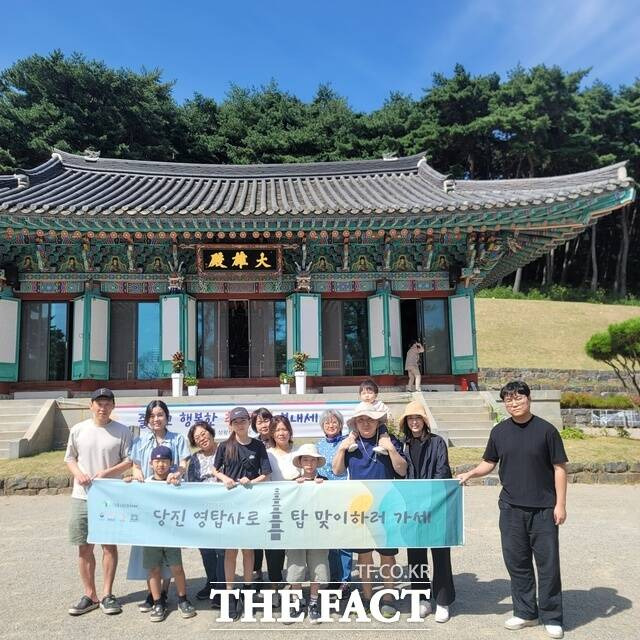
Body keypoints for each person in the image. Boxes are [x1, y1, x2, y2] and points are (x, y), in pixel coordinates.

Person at [457, 381, 568, 640]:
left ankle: (552, 616)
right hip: (510, 508)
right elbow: (489, 462)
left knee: (548, 565)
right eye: (508, 400)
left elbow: (560, 468)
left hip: (544, 509)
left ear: (529, 399)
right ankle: (526, 612)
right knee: (517, 563)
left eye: (518, 398)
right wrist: (471, 473)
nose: (513, 403)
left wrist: (560, 504)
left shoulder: (546, 431)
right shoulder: (499, 432)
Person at [333, 406, 407, 617]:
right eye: (361, 420)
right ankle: (367, 596)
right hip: (360, 506)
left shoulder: (390, 440)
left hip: (386, 505)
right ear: (355, 423)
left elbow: (402, 470)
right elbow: (337, 471)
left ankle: (388, 596)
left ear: (378, 422)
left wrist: (390, 449)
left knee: (387, 555)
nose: (366, 423)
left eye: (370, 420)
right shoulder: (350, 445)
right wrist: (341, 448)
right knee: (364, 556)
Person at [64, 388, 132, 616]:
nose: (103, 408)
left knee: (109, 546)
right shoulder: (78, 429)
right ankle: (89, 594)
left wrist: (107, 472)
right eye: (99, 403)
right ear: (91, 405)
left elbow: (129, 460)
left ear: (113, 406)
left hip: (109, 498)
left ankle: (107, 594)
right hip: (81, 496)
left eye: (107, 404)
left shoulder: (122, 431)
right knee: (84, 547)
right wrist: (78, 473)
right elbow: (70, 457)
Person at [127, 400, 191, 612]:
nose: (156, 419)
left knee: (169, 547)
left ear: (167, 417)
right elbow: (135, 464)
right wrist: (136, 471)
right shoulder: (140, 441)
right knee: (149, 549)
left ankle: (165, 591)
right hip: (147, 502)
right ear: (147, 419)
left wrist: (178, 473)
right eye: (152, 415)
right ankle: (153, 594)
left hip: (170, 501)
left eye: (160, 414)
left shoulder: (178, 439)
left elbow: (183, 463)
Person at [213, 406, 272, 621]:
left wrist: (251, 481)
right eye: (236, 422)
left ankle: (247, 590)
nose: (240, 425)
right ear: (230, 425)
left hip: (251, 504)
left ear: (249, 422)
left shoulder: (258, 445)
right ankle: (230, 594)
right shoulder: (224, 446)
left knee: (248, 551)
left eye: (243, 421)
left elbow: (266, 473)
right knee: (230, 552)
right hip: (230, 506)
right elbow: (215, 469)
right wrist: (224, 479)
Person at [126, 445, 196, 622]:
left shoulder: (175, 483)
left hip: (171, 535)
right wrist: (127, 484)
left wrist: (177, 483)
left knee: (177, 568)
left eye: (164, 461)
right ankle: (158, 602)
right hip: (150, 535)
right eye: (157, 461)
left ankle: (182, 599)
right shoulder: (144, 483)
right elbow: (130, 498)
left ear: (171, 463)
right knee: (153, 569)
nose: (161, 465)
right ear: (150, 463)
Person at [400, 400, 455, 623]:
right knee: (416, 555)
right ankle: (422, 597)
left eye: (418, 418)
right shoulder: (403, 445)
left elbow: (443, 471)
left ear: (425, 421)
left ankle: (443, 600)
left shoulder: (437, 442)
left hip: (435, 506)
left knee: (440, 553)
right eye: (410, 419)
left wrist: (426, 497)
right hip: (412, 509)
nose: (414, 422)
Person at [286, 444, 330, 624]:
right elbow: (285, 506)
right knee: (295, 568)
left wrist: (324, 488)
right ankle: (296, 603)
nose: (309, 463)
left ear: (318, 462)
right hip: (296, 533)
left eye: (313, 459)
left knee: (317, 567)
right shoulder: (292, 483)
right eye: (305, 459)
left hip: (319, 532)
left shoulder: (326, 481)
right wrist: (294, 490)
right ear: (300, 462)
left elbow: (333, 505)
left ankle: (313, 603)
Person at [186, 420, 225, 607]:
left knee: (222, 550)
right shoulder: (194, 459)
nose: (202, 438)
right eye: (197, 437)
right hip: (203, 511)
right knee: (206, 550)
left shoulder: (226, 450)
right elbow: (191, 485)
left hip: (225, 509)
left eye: (203, 433)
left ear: (211, 432)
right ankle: (211, 582)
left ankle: (222, 587)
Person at [315, 410, 352, 598]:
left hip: (344, 495)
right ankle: (334, 579)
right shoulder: (318, 445)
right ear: (322, 426)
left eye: (334, 422)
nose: (331, 425)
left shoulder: (347, 442)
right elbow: (314, 469)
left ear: (340, 424)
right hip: (325, 497)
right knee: (330, 542)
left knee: (344, 541)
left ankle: (345, 581)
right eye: (327, 423)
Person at [265, 414, 299, 606]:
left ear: (290, 431)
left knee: (295, 552)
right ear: (272, 433)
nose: (281, 433)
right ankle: (275, 588)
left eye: (284, 429)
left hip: (296, 510)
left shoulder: (300, 452)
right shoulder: (267, 454)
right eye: (277, 430)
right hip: (275, 509)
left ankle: (295, 589)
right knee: (274, 553)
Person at [250, 407, 275, 583]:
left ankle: (276, 578)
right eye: (259, 422)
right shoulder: (251, 445)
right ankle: (256, 572)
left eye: (266, 420)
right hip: (257, 499)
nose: (264, 424)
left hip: (278, 498)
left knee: (275, 539)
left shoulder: (281, 440)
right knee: (256, 539)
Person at [347, 379, 390, 455]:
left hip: (378, 425)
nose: (367, 395)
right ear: (360, 396)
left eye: (370, 393)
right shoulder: (360, 405)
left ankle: (382, 447)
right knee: (353, 433)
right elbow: (354, 415)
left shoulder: (379, 404)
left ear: (376, 395)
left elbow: (387, 412)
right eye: (364, 393)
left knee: (384, 433)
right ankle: (351, 443)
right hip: (362, 426)